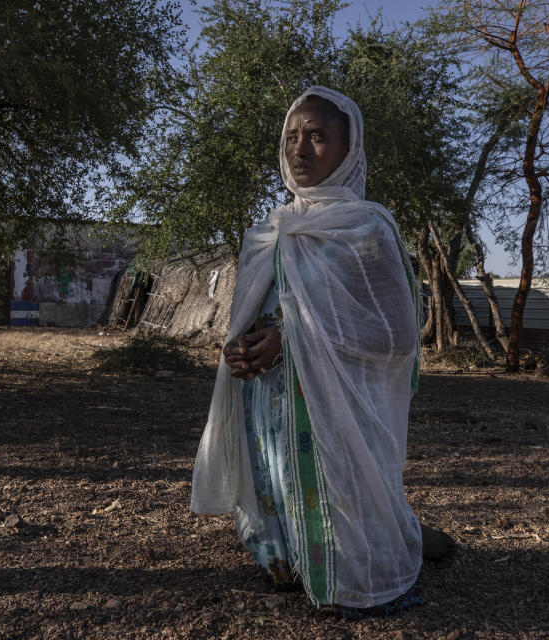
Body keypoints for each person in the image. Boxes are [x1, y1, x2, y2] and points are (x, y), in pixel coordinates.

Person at [190, 86, 447, 614]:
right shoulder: (270, 231)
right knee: (277, 476)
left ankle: (359, 576)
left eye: (317, 137)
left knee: (344, 488)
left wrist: (292, 339)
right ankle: (287, 563)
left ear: (348, 149)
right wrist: (240, 348)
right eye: (291, 137)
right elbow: (252, 312)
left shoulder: (367, 229)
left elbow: (397, 334)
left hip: (335, 401)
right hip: (270, 398)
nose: (300, 149)